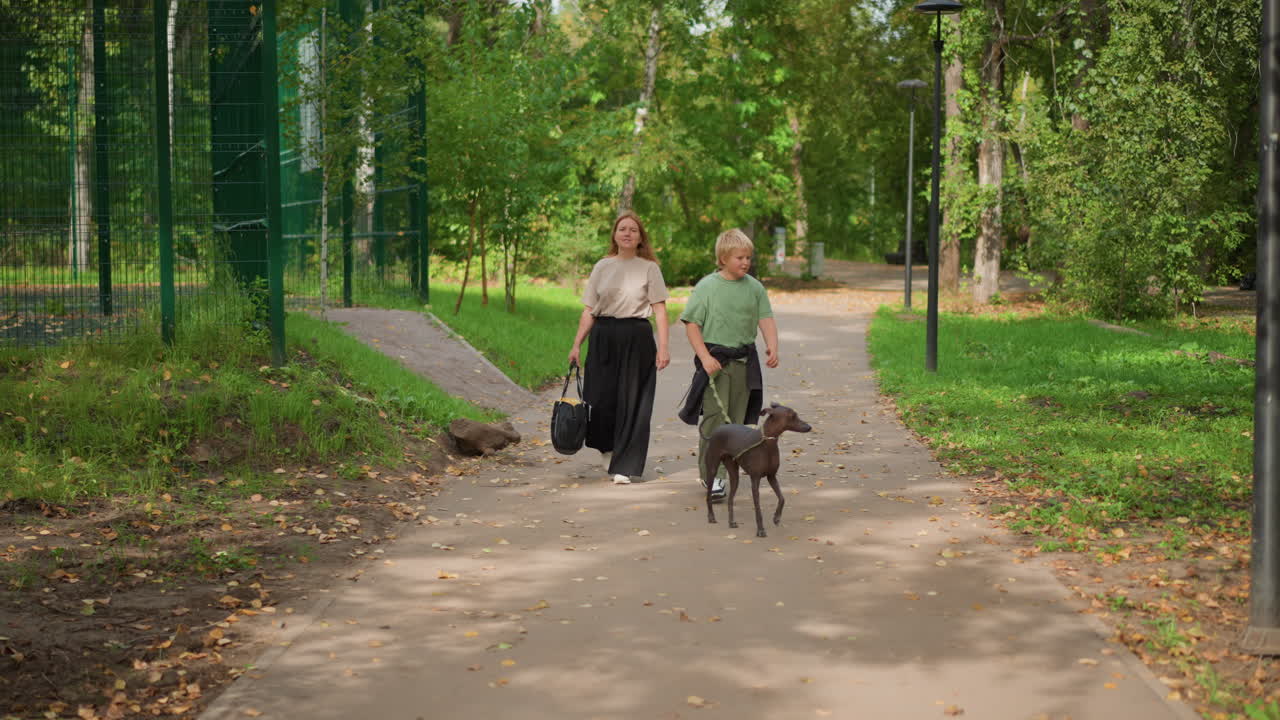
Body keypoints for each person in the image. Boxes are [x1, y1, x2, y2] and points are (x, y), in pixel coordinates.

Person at [568, 212, 671, 484]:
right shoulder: (602, 266)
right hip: (603, 335)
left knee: (633, 400)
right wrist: (577, 344)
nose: (627, 233)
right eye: (622, 229)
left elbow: (660, 310)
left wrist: (663, 347)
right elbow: (589, 310)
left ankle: (625, 465)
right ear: (615, 234)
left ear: (640, 238)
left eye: (633, 230)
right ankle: (607, 447)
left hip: (636, 336)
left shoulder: (650, 268)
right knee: (599, 398)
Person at [678, 228, 779, 501]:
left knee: (738, 423)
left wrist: (772, 344)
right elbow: (692, 325)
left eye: (748, 257)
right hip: (715, 364)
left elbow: (766, 318)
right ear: (722, 258)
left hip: (745, 364)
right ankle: (713, 477)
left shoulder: (755, 288)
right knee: (715, 421)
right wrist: (704, 357)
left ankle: (730, 470)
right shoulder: (707, 287)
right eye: (739, 258)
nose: (745, 263)